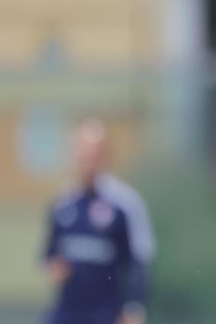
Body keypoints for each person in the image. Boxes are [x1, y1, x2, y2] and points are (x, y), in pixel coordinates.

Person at [42, 119, 156, 324]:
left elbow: (140, 259)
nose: (87, 162)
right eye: (82, 154)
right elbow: (50, 251)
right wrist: (54, 266)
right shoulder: (63, 202)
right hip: (67, 313)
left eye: (93, 155)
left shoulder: (125, 203)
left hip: (106, 313)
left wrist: (134, 306)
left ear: (106, 157)